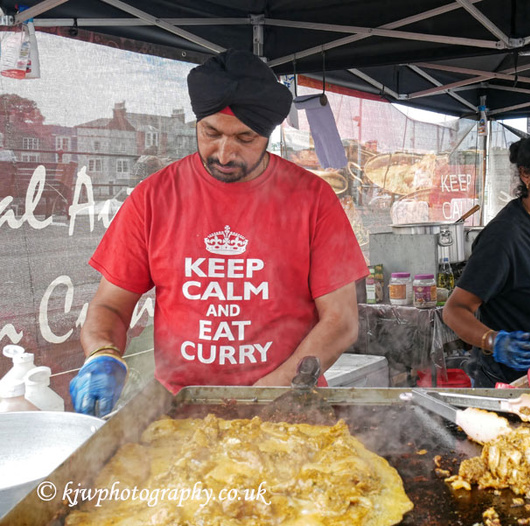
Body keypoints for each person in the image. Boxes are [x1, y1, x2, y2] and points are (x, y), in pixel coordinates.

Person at [70, 50, 368, 416]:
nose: (224, 154)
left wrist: (272, 390)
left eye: (245, 138)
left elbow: (341, 322)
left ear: (269, 134)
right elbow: (110, 306)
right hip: (181, 408)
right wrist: (101, 354)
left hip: (289, 402)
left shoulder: (313, 200)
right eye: (211, 133)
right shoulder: (154, 197)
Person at [443, 131, 530, 387]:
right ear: (526, 174)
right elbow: (453, 311)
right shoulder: (504, 237)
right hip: (511, 385)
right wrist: (493, 341)